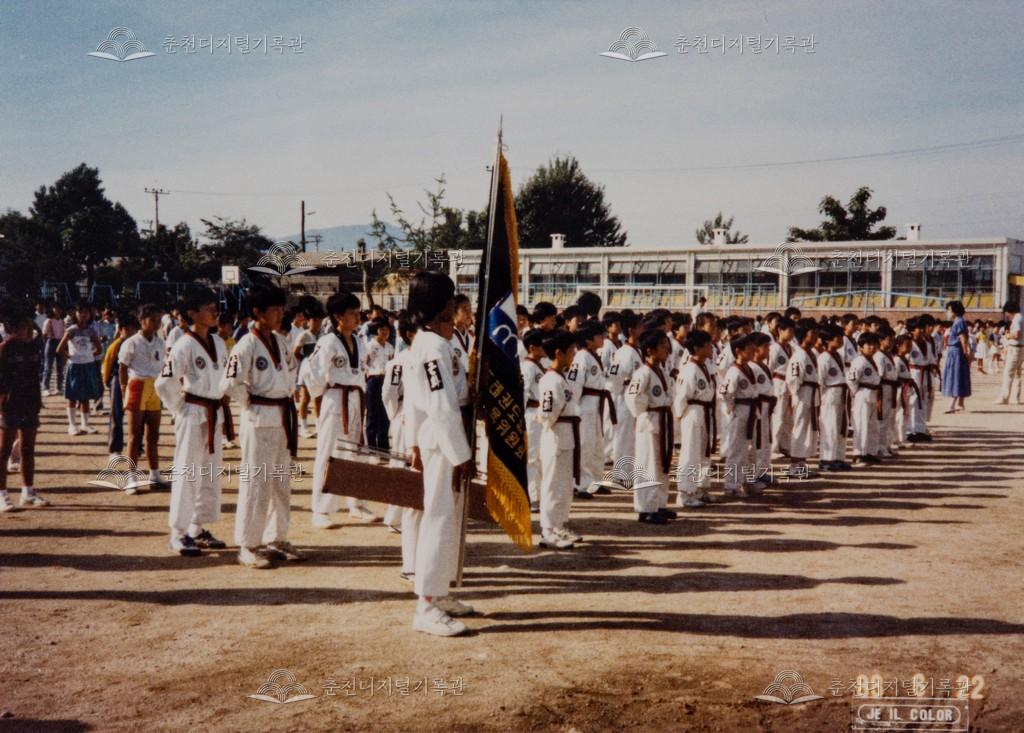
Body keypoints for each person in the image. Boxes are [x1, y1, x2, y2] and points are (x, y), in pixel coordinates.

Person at [403, 270, 477, 636]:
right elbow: (439, 404)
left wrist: (413, 441)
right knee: (438, 517)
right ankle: (427, 605)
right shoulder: (431, 347)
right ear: (435, 305)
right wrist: (460, 455)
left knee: (450, 520)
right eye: (448, 300)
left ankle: (441, 590)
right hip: (443, 441)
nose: (454, 305)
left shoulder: (438, 342)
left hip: (442, 437)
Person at [223, 284, 303, 568]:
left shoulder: (281, 341)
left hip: (282, 417)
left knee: (281, 481)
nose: (280, 314)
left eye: (282, 309)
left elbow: (292, 370)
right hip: (259, 417)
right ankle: (248, 543)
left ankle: (276, 538)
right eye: (275, 310)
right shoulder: (246, 344)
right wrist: (251, 403)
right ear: (257, 312)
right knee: (256, 481)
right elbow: (230, 383)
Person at [155, 288, 232, 556]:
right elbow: (164, 382)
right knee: (187, 471)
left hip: (213, 412)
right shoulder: (183, 344)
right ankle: (177, 533)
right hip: (192, 411)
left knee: (210, 472)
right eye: (208, 307)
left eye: (215, 306)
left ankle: (197, 527)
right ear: (192, 313)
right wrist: (180, 408)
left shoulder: (219, 343)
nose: (214, 311)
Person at [307, 290, 376, 528]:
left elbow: (364, 370)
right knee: (329, 454)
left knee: (356, 454)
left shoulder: (359, 340)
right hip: (335, 398)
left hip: (355, 398)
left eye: (359, 313)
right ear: (338, 316)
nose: (358, 318)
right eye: (352, 314)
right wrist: (320, 397)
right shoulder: (327, 342)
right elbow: (312, 374)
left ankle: (356, 504)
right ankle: (320, 509)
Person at [0, 302, 48, 511]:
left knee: (28, 449)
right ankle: (2, 495)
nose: (30, 330)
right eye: (25, 326)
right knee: (3, 451)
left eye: (31, 326)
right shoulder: (5, 348)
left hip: (30, 403)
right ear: (14, 328)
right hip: (10, 405)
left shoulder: (33, 346)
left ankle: (27, 491)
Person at [625, 328, 677, 522]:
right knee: (647, 465)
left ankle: (659, 503)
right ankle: (646, 508)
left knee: (662, 463)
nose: (667, 350)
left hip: (662, 420)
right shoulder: (642, 373)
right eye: (663, 346)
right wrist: (644, 412)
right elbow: (632, 397)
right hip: (649, 422)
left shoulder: (661, 371)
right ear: (650, 350)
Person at [536, 329, 582, 546]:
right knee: (552, 485)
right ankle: (548, 529)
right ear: (559, 353)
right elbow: (546, 413)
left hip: (567, 436)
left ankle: (559, 525)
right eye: (571, 351)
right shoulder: (550, 380)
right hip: (555, 436)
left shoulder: (561, 378)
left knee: (564, 485)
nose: (574, 355)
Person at [118, 304, 167, 492]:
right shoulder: (132, 342)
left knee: (153, 435)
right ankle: (131, 477)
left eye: (159, 320)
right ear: (142, 320)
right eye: (153, 320)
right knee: (134, 436)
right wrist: (124, 390)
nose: (156, 324)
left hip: (155, 387)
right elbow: (123, 367)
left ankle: (154, 475)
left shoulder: (160, 342)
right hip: (137, 386)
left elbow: (162, 365)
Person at [565, 321, 613, 499]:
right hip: (584, 405)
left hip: (597, 403)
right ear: (588, 340)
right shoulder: (581, 358)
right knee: (584, 444)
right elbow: (574, 385)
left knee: (597, 444)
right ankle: (579, 483)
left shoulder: (594, 355)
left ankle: (595, 480)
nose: (603, 338)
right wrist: (575, 408)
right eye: (599, 335)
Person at [673, 328, 717, 505]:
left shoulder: (705, 366)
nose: (711, 348)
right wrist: (681, 417)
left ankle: (701, 489)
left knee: (704, 453)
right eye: (708, 345)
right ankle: (685, 493)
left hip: (705, 411)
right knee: (690, 453)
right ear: (697, 348)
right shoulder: (689, 369)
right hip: (692, 412)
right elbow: (681, 397)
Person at [719, 333, 763, 497]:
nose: (753, 351)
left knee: (750, 450)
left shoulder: (748, 368)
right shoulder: (733, 372)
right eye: (750, 348)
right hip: (740, 411)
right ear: (738, 351)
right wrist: (731, 409)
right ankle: (732, 486)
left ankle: (748, 481)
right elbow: (724, 393)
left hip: (751, 411)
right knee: (737, 450)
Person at [57, 301, 102, 436]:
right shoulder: (71, 330)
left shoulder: (91, 331)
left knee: (86, 397)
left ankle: (85, 425)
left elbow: (99, 349)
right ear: (75, 314)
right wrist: (71, 356)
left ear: (90, 314)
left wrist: (88, 355)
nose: (83, 315)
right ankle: (72, 425)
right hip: (75, 366)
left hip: (88, 366)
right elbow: (59, 349)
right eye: (80, 312)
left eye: (86, 312)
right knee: (72, 397)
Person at [785, 319, 820, 478]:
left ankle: (801, 463)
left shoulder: (811, 353)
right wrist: (795, 397)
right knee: (799, 427)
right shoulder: (799, 355)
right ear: (804, 335)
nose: (816, 336)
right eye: (813, 333)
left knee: (807, 429)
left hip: (811, 394)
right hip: (802, 394)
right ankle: (795, 464)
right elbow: (793, 379)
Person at [102, 313, 138, 460]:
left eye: (133, 329)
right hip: (118, 380)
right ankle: (115, 449)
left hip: (135, 379)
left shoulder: (138, 344)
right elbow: (108, 364)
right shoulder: (116, 345)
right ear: (121, 329)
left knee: (137, 415)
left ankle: (137, 446)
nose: (130, 332)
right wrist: (107, 382)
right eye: (127, 329)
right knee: (117, 414)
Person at [817, 326, 851, 471]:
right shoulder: (824, 358)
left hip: (840, 394)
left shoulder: (838, 355)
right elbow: (820, 381)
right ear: (828, 340)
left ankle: (838, 457)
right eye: (838, 338)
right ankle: (826, 459)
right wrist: (821, 400)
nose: (841, 340)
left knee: (840, 427)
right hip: (830, 395)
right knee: (830, 427)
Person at [846, 332, 882, 465]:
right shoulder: (858, 361)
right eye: (868, 345)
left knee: (873, 425)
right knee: (861, 425)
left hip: (872, 394)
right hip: (862, 395)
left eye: (874, 344)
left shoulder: (872, 360)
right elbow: (851, 380)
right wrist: (857, 393)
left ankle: (870, 452)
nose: (872, 347)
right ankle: (858, 454)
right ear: (861, 347)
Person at [520, 329, 546, 512]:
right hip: (531, 412)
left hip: (541, 412)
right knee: (532, 456)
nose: (545, 348)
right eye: (542, 344)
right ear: (532, 347)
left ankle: (539, 494)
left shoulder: (540, 365)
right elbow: (522, 393)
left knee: (540, 456)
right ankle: (532, 496)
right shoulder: (527, 367)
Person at [364, 318, 395, 452]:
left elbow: (392, 362)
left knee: (385, 413)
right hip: (373, 380)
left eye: (387, 329)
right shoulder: (369, 346)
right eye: (382, 329)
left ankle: (383, 446)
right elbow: (364, 363)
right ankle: (371, 446)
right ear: (376, 330)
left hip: (386, 380)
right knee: (372, 414)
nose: (385, 332)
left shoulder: (389, 347)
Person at [940, 301, 972, 413]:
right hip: (955, 351)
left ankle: (952, 404)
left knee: (955, 376)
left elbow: (963, 338)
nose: (947, 312)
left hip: (956, 352)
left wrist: (965, 352)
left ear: (954, 311)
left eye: (948, 310)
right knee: (960, 375)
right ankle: (960, 403)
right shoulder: (960, 321)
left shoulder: (958, 322)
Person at [995, 300, 1024, 404]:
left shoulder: (1016, 319)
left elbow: (1016, 334)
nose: (1006, 315)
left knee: (1008, 373)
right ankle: (1015, 397)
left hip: (1014, 347)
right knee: (1018, 373)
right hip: (1021, 348)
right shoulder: (1022, 317)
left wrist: (1007, 335)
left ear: (1009, 310)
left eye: (1006, 312)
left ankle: (1004, 397)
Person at [40, 303, 66, 397]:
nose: (58, 310)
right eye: (56, 308)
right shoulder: (48, 320)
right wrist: (46, 345)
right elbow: (44, 335)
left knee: (60, 367)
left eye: (60, 309)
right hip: (51, 342)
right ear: (52, 310)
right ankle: (45, 388)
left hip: (60, 342)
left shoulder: (63, 321)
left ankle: (59, 387)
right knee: (48, 367)